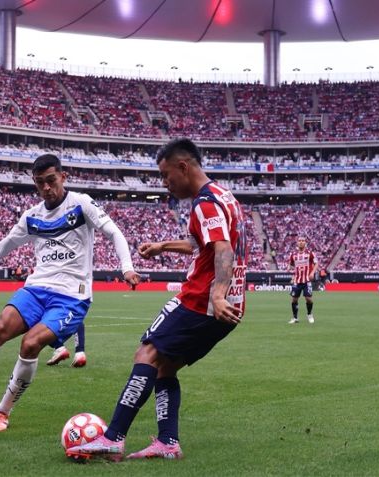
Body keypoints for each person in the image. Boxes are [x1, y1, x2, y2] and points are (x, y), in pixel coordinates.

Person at [0, 153, 139, 433]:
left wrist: (126, 268)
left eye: (51, 180)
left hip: (71, 297)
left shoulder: (81, 203)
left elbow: (114, 233)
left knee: (30, 343)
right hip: (36, 288)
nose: (47, 188)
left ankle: (2, 412)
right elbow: (3, 247)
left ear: (63, 177)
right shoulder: (32, 216)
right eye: (40, 183)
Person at [67, 138, 246, 461]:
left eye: (166, 175)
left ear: (183, 167)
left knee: (147, 352)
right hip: (229, 305)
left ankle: (113, 438)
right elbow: (200, 244)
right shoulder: (223, 197)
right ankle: (167, 442)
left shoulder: (204, 203)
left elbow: (223, 249)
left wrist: (217, 295)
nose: (165, 183)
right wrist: (162, 246)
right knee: (165, 366)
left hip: (202, 300)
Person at [288, 237, 317, 324]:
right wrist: (290, 269)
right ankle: (295, 318)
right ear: (297, 243)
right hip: (297, 280)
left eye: (303, 241)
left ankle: (309, 314)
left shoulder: (310, 253)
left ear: (305, 243)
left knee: (308, 299)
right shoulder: (293, 254)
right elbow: (291, 265)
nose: (301, 242)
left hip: (307, 280)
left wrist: (312, 273)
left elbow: (316, 263)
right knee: (294, 300)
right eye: (299, 241)